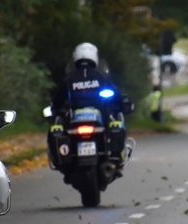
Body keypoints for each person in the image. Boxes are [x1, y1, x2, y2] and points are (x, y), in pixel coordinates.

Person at [48, 42, 128, 170]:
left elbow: (58, 99)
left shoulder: (69, 78)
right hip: (99, 120)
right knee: (115, 124)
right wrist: (122, 104)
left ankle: (65, 157)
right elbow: (116, 95)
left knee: (61, 127)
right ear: (95, 57)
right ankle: (115, 152)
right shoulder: (102, 76)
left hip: (75, 121)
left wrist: (56, 109)